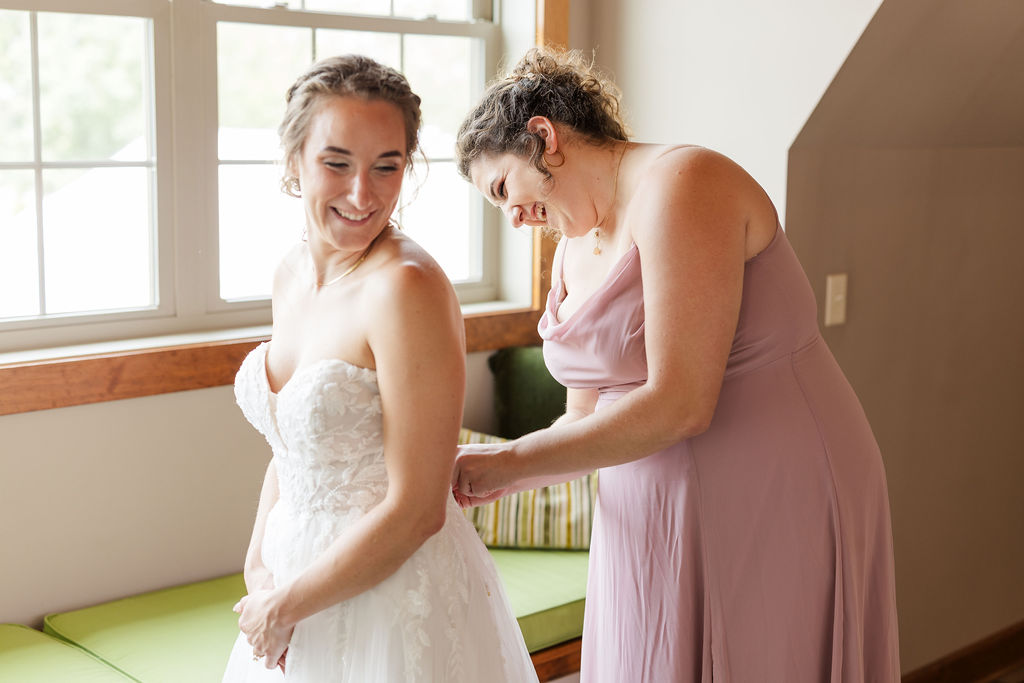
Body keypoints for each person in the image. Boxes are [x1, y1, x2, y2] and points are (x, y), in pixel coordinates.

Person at [452, 47, 900, 682]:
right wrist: (495, 479)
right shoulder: (572, 253)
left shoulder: (686, 183)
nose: (515, 218)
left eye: (504, 189)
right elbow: (580, 415)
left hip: (773, 481)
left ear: (543, 137)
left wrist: (511, 461)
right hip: (643, 509)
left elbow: (681, 400)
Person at [222, 55, 538, 682]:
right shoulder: (288, 275)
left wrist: (287, 604)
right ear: (293, 162)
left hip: (391, 597)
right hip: (293, 586)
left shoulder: (406, 288)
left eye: (386, 166)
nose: (362, 194)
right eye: (336, 163)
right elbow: (292, 448)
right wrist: (260, 571)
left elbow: (419, 509)